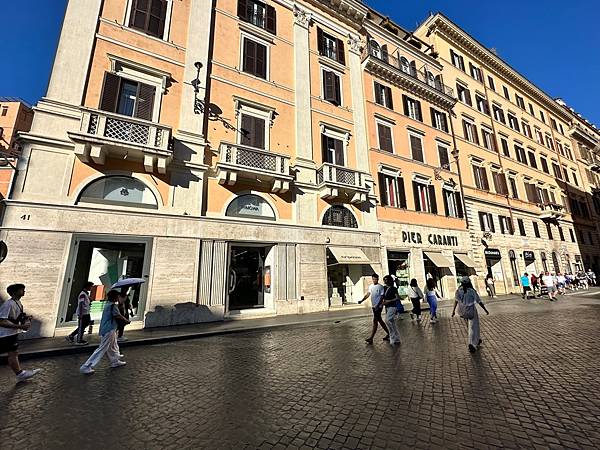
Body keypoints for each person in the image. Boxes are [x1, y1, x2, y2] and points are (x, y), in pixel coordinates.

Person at [79, 290, 129, 374]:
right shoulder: (113, 306)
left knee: (112, 345)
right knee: (102, 348)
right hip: (109, 329)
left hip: (108, 328)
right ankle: (86, 366)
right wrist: (126, 320)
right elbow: (117, 315)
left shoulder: (107, 304)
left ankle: (115, 361)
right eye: (117, 296)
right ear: (115, 297)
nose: (118, 298)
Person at [0, 284, 42, 382]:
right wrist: (20, 326)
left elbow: (15, 317)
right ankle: (20, 374)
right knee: (12, 353)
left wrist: (26, 318)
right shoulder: (8, 304)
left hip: (12, 334)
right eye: (21, 289)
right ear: (14, 292)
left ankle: (20, 374)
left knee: (13, 353)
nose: (24, 291)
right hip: (5, 335)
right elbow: (1, 321)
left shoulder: (18, 303)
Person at [452, 277, 490, 353]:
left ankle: (477, 339)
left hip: (463, 311)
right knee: (473, 327)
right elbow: (479, 301)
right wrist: (485, 309)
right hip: (472, 310)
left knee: (469, 327)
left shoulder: (458, 291)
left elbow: (456, 301)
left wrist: (453, 311)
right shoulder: (472, 291)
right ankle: (472, 343)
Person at [359, 273, 389, 344]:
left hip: (378, 307)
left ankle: (371, 338)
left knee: (375, 321)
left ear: (378, 279)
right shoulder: (371, 286)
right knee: (379, 321)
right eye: (373, 279)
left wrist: (378, 305)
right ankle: (389, 333)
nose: (374, 280)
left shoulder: (380, 287)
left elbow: (382, 297)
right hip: (374, 306)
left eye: (375, 279)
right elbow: (368, 294)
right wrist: (362, 300)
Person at [381, 275, 402, 345]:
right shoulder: (384, 288)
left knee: (387, 320)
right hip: (387, 307)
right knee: (392, 323)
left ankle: (392, 336)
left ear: (389, 280)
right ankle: (397, 338)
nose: (385, 281)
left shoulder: (393, 288)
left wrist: (389, 301)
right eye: (384, 280)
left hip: (393, 306)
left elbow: (397, 297)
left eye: (386, 279)